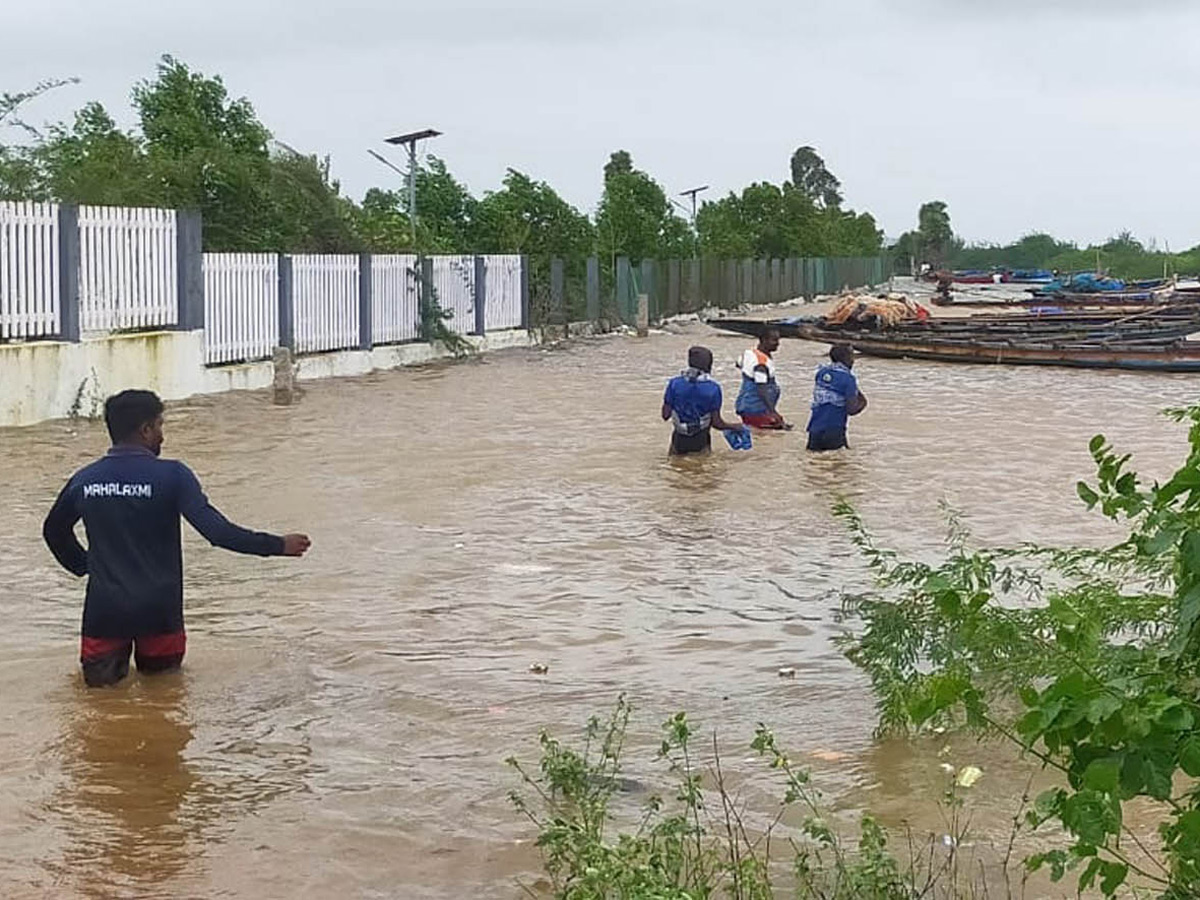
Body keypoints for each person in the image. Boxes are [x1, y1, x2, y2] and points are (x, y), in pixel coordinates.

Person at [42, 389, 311, 687]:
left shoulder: (86, 479)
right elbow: (217, 532)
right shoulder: (173, 476)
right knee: (165, 697)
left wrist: (85, 565)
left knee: (100, 705)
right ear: (145, 430)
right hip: (160, 611)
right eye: (159, 426)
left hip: (105, 610)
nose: (162, 435)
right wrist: (277, 545)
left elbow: (54, 531)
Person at [662, 346, 741, 455]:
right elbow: (717, 423)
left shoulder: (674, 383)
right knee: (701, 468)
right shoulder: (713, 388)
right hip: (701, 440)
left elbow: (665, 415)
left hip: (678, 441)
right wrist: (735, 426)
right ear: (709, 366)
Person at [806, 344, 867, 452]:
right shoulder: (848, 379)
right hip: (834, 428)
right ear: (846, 358)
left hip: (814, 428)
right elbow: (851, 410)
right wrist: (863, 403)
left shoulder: (821, 373)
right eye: (852, 357)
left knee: (814, 461)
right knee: (837, 465)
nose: (853, 360)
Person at [735, 326, 790, 430]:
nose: (778, 343)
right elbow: (761, 389)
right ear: (763, 340)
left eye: (778, 339)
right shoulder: (761, 364)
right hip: (756, 409)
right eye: (774, 340)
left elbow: (738, 364)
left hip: (746, 405)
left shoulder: (749, 353)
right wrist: (773, 412)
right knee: (766, 437)